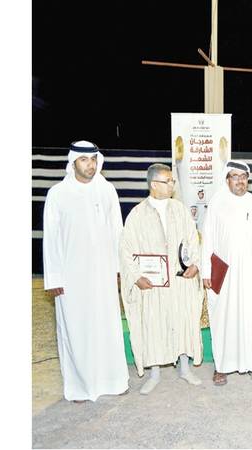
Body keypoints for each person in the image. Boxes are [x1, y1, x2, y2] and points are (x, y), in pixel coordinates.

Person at [43, 140, 129, 403]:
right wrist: (54, 277)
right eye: (84, 160)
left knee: (107, 326)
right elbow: (51, 238)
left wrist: (119, 268)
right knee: (76, 329)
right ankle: (80, 387)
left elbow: (117, 231)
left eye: (93, 160)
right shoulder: (58, 194)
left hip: (103, 273)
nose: (90, 165)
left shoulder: (107, 190)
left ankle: (113, 381)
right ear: (73, 162)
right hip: (72, 276)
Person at [119, 163, 203, 395]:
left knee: (182, 320)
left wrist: (195, 265)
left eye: (172, 181)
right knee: (153, 324)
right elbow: (125, 250)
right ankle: (154, 374)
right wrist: (136, 277)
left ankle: (184, 368)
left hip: (179, 280)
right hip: (152, 284)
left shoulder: (180, 210)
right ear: (154, 184)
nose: (172, 185)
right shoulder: (137, 214)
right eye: (168, 181)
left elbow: (193, 240)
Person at [201, 160, 252, 386]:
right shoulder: (217, 203)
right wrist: (206, 270)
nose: (240, 181)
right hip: (224, 271)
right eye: (235, 177)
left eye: (244, 177)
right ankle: (222, 366)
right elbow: (207, 238)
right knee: (223, 317)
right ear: (227, 179)